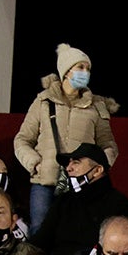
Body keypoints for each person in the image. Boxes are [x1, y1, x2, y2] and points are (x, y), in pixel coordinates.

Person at [14, 43, 120, 233]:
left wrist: (99, 168)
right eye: (80, 67)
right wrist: (36, 163)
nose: (85, 72)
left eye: (88, 68)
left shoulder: (96, 106)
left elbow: (108, 144)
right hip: (45, 182)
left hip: (82, 183)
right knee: (40, 230)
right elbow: (22, 140)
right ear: (66, 72)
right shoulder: (43, 101)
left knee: (80, 231)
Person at [29, 143, 128, 255]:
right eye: (68, 163)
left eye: (76, 162)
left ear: (97, 170)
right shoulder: (64, 201)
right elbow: (41, 241)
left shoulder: (119, 204)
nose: (68, 168)